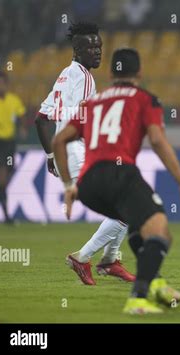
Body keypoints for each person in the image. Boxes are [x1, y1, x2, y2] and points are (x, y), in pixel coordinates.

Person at [52, 48, 180, 314]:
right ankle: (138, 298)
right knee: (161, 233)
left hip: (89, 184)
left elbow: (59, 140)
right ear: (139, 72)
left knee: (138, 225)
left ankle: (154, 283)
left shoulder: (93, 103)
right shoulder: (145, 99)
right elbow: (157, 140)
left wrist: (69, 186)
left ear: (110, 73)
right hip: (120, 175)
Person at [34, 22, 134, 285]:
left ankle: (110, 260)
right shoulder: (83, 77)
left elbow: (42, 118)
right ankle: (84, 257)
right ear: (77, 49)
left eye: (99, 45)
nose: (98, 51)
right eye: (91, 46)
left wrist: (49, 156)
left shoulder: (67, 74)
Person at [0, 70, 27, 224]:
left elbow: (21, 116)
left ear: (7, 85)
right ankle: (7, 217)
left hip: (9, 144)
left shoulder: (14, 100)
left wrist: (22, 128)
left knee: (6, 177)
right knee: (2, 178)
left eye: (2, 83)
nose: (0, 86)